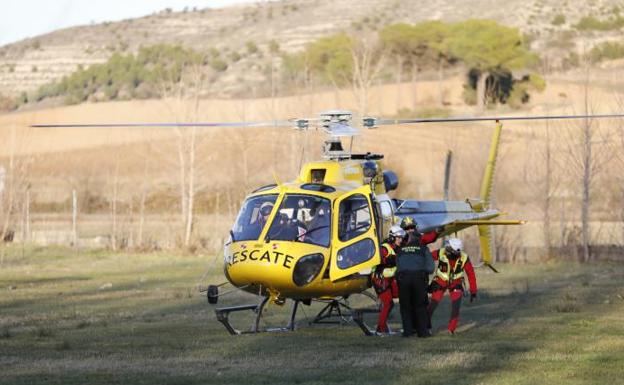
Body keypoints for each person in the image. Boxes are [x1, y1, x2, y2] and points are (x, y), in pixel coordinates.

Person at [395, 216, 438, 337]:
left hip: (403, 279)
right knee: (420, 306)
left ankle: (408, 333)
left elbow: (397, 267)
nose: (410, 230)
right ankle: (423, 332)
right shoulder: (423, 247)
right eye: (407, 228)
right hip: (419, 278)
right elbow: (430, 268)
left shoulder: (400, 249)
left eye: (411, 228)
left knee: (405, 307)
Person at [427, 238, 477, 335]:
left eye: (448, 248)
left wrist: (473, 291)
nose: (446, 249)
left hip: (456, 283)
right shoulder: (441, 252)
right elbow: (428, 257)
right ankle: (426, 326)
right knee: (433, 304)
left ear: (454, 251)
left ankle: (451, 329)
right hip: (440, 282)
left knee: (456, 306)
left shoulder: (464, 258)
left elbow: (471, 275)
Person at [371, 225, 405, 334]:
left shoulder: (398, 248)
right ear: (392, 237)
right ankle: (380, 330)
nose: (401, 240)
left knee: (403, 296)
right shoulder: (384, 248)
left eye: (401, 238)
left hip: (390, 278)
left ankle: (382, 327)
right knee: (387, 303)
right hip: (380, 279)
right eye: (398, 237)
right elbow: (377, 261)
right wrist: (387, 260)